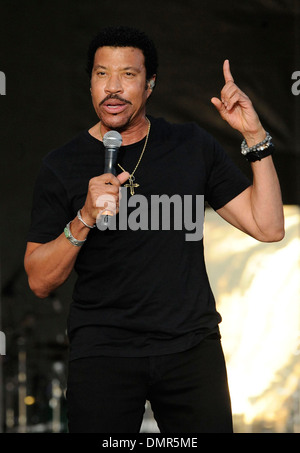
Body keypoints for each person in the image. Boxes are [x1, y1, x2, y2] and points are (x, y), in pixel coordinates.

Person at [24, 26, 284, 433]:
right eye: (101, 74)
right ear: (90, 82)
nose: (113, 87)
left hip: (190, 347)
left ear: (150, 85)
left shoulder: (191, 145)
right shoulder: (62, 165)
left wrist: (254, 136)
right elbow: (39, 280)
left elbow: (268, 227)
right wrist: (85, 217)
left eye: (128, 74)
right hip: (103, 351)